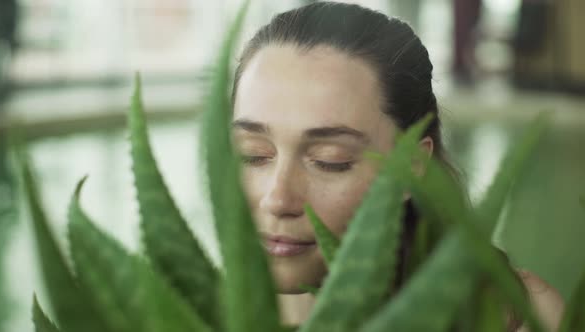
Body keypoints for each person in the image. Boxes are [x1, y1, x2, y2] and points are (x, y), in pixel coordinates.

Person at [230, 2, 564, 330]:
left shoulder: (520, 316)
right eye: (252, 154)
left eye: (330, 161)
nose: (277, 199)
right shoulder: (195, 312)